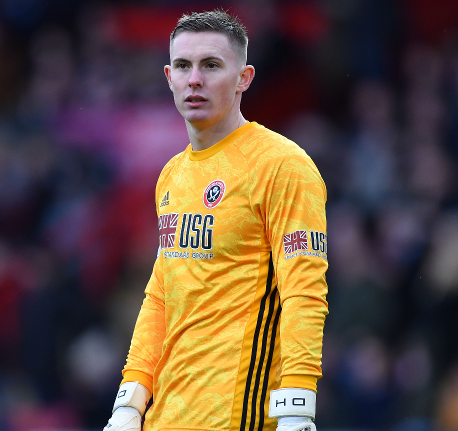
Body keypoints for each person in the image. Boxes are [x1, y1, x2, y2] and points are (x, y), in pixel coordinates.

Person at [104, 9, 328, 431]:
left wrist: (297, 406)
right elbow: (161, 296)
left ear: (244, 78)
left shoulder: (282, 166)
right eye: (183, 66)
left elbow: (304, 291)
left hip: (239, 416)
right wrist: (130, 402)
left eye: (210, 65)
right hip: (165, 418)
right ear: (169, 77)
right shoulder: (172, 175)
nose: (194, 80)